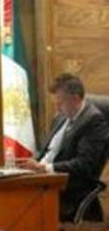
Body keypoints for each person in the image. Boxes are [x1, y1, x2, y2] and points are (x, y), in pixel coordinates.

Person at [19, 73, 109, 222]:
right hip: (43, 179)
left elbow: (84, 164)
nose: (57, 108)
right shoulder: (61, 117)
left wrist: (46, 168)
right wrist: (30, 164)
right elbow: (47, 151)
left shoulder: (94, 121)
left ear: (75, 99)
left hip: (67, 188)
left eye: (60, 103)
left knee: (19, 205)